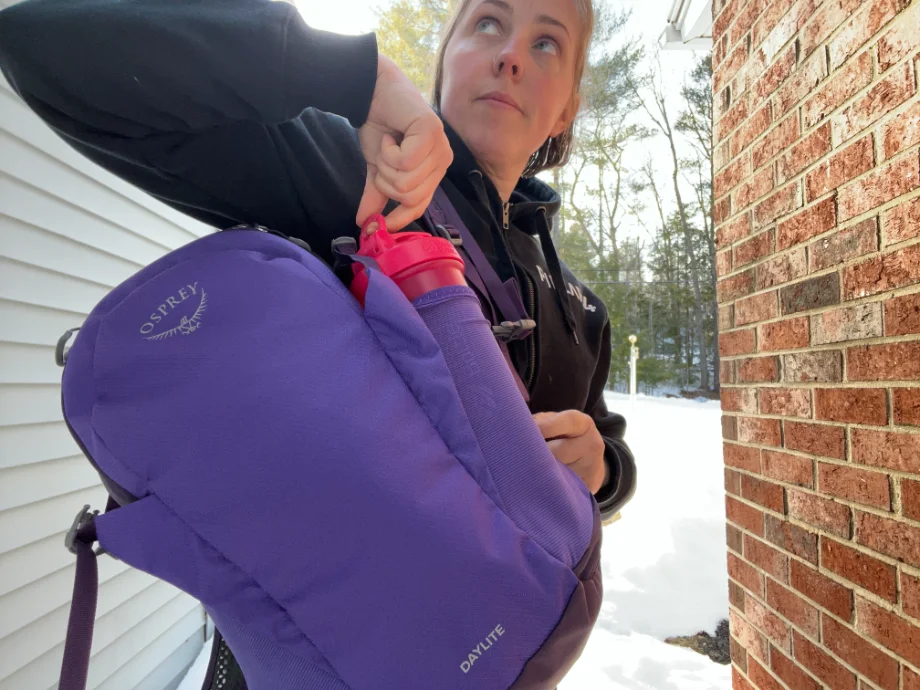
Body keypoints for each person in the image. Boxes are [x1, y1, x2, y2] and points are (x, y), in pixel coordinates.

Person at [0, 0, 635, 519]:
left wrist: (601, 470)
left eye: (546, 43)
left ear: (568, 109)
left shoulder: (581, 310)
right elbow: (41, 48)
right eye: (488, 23)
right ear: (445, 63)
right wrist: (356, 77)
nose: (510, 55)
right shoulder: (354, 175)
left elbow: (608, 449)